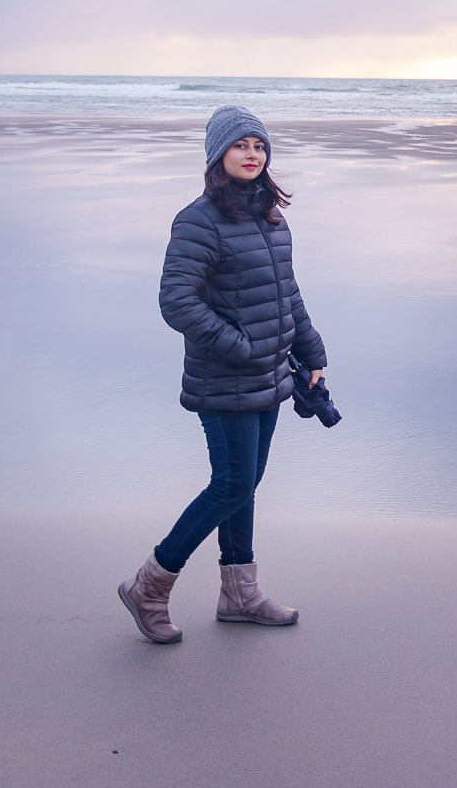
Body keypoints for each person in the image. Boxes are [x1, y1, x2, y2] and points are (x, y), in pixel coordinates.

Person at [117, 105, 328, 644]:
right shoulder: (198, 220)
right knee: (231, 483)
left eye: (259, 146)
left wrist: (313, 353)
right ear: (218, 155)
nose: (252, 154)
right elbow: (176, 302)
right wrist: (241, 345)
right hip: (225, 377)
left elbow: (288, 295)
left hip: (271, 376)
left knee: (245, 484)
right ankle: (150, 584)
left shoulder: (270, 217)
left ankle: (240, 593)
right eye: (241, 146)